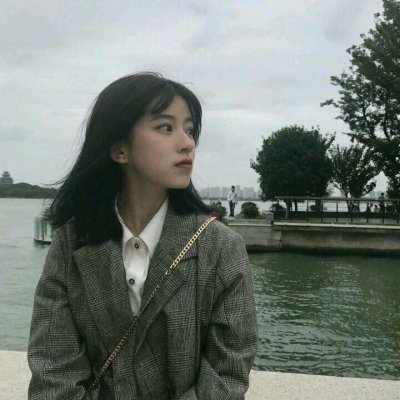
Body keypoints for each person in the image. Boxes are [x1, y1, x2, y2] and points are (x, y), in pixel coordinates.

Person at [27, 73, 258, 399]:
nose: (187, 143)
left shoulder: (221, 247)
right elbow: (53, 369)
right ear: (120, 149)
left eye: (190, 130)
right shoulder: (72, 243)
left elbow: (227, 374)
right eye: (166, 127)